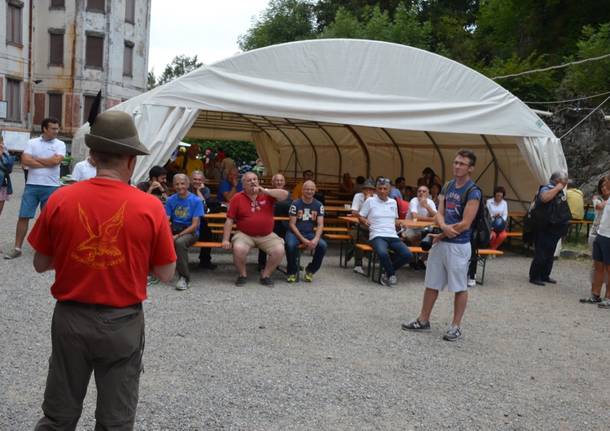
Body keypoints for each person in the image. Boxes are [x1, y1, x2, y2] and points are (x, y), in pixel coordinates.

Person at [27, 110, 176, 429]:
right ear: (131, 161)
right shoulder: (150, 207)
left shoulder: (60, 200)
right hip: (122, 323)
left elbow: (40, 263)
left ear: (92, 156)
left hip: (70, 320)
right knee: (116, 421)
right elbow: (166, 273)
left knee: (58, 416)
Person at [402, 149, 481, 342]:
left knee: (460, 287)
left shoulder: (473, 191)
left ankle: (456, 326)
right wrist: (443, 227)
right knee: (431, 283)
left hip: (459, 245)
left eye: (462, 163)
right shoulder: (448, 186)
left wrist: (443, 229)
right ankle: (423, 320)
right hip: (442, 241)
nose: (457, 166)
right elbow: (440, 213)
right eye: (455, 162)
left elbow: (466, 223)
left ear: (470, 168)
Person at [5, 118, 65, 260]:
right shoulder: (32, 142)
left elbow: (56, 161)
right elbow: (25, 161)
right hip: (32, 185)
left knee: (50, 219)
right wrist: (47, 162)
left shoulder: (60, 144)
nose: (56, 131)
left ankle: (50, 249)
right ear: (45, 129)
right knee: (23, 216)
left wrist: (35, 160)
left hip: (51, 186)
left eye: (57, 128)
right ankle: (17, 248)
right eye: (53, 129)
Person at [222, 171, 289, 286]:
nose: (253, 182)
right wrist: (225, 239)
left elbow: (284, 195)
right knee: (238, 249)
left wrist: (264, 190)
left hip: (267, 235)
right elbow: (229, 220)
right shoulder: (237, 198)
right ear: (243, 185)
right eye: (249, 180)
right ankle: (242, 275)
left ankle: (265, 275)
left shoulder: (267, 194)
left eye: (255, 179)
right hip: (244, 234)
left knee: (279, 250)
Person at [359, 178, 413, 286]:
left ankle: (387, 272)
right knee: (383, 253)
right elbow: (360, 216)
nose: (382, 191)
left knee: (408, 255)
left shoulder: (393, 202)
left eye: (385, 189)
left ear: (389, 190)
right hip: (377, 235)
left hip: (392, 235)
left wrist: (400, 223)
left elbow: (395, 219)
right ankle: (391, 275)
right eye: (380, 188)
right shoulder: (370, 201)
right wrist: (364, 220)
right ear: (376, 190)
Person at [528, 170, 571, 286]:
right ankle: (535, 276)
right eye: (564, 180)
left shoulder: (560, 192)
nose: (566, 183)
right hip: (543, 227)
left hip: (555, 228)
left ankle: (545, 275)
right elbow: (544, 198)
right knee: (541, 252)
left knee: (550, 253)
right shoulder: (546, 188)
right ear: (557, 180)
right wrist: (557, 188)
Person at [166, 173, 204, 290]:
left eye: (182, 183)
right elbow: (166, 221)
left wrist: (177, 236)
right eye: (176, 184)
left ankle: (184, 278)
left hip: (190, 232)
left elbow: (194, 225)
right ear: (173, 185)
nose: (179, 186)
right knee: (156, 238)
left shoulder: (196, 200)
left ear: (188, 184)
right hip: (175, 229)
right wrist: (166, 234)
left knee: (179, 242)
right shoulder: (170, 200)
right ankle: (156, 273)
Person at [285, 180, 327, 282]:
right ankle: (292, 271)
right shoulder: (295, 204)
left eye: (312, 189)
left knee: (322, 245)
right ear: (302, 190)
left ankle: (311, 270)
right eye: (307, 189)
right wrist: (303, 240)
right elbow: (292, 224)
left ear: (315, 190)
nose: (309, 191)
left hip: (309, 233)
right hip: (294, 233)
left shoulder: (319, 205)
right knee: (290, 245)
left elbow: (320, 224)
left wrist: (316, 239)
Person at [581, 176, 609, 304]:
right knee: (597, 266)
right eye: (602, 185)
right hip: (598, 234)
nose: (604, 188)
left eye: (607, 185)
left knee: (608, 268)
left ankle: (608, 297)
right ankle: (595, 294)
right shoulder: (599, 199)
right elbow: (599, 207)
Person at [257, 173, 292, 270]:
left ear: (284, 183)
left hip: (283, 225)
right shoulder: (265, 193)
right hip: (268, 225)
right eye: (277, 180)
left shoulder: (287, 194)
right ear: (272, 182)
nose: (279, 182)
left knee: (290, 242)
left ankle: (291, 264)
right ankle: (262, 264)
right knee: (263, 238)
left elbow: (287, 207)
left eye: (281, 180)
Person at [190, 170, 217, 270]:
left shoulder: (205, 190)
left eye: (199, 180)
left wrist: (198, 191)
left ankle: (205, 261)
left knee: (208, 234)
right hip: (187, 218)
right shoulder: (186, 188)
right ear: (190, 180)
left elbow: (203, 206)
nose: (197, 181)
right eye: (194, 179)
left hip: (199, 219)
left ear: (203, 180)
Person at [349, 179, 376, 275]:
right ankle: (358, 264)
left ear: (374, 190)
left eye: (371, 189)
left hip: (373, 226)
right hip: (358, 225)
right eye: (366, 189)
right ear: (363, 189)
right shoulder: (358, 196)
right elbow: (354, 212)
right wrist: (367, 202)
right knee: (358, 235)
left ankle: (352, 251)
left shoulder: (377, 198)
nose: (368, 191)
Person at [0, 135, 14, 218]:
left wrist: (2, 156)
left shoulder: (5, 154)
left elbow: (9, 170)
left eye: (1, 142)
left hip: (2, 185)